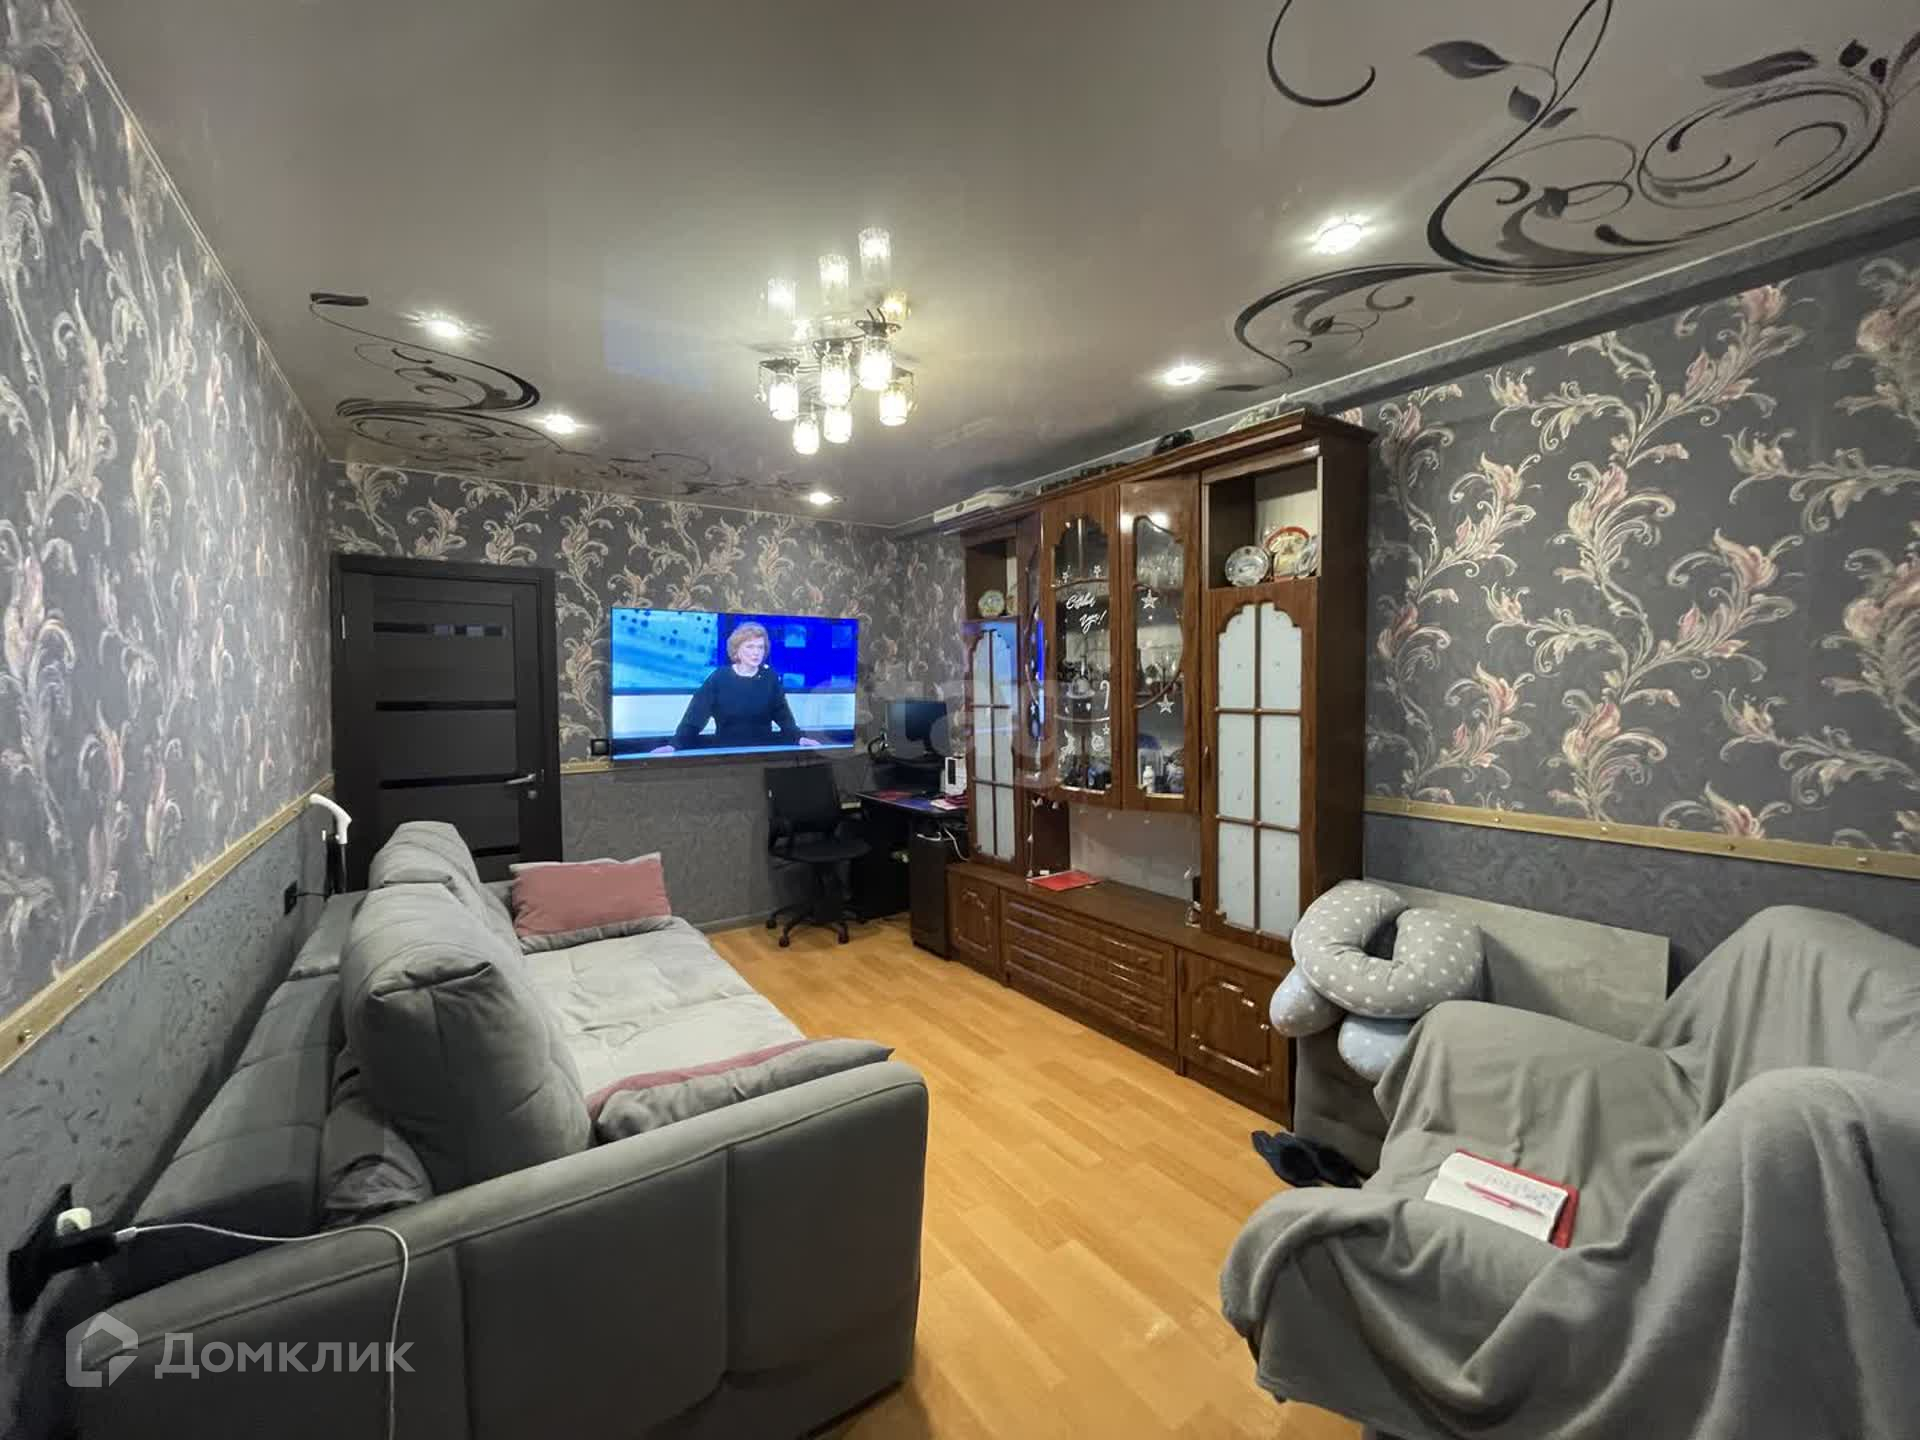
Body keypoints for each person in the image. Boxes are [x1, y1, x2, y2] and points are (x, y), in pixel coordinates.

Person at [649, 621, 823, 754]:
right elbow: (694, 718)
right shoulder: (720, 678)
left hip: (763, 754)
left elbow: (783, 716)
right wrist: (674, 745)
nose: (756, 652)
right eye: (750, 647)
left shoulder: (769, 678)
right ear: (737, 650)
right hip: (727, 755)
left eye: (760, 647)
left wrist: (799, 738)